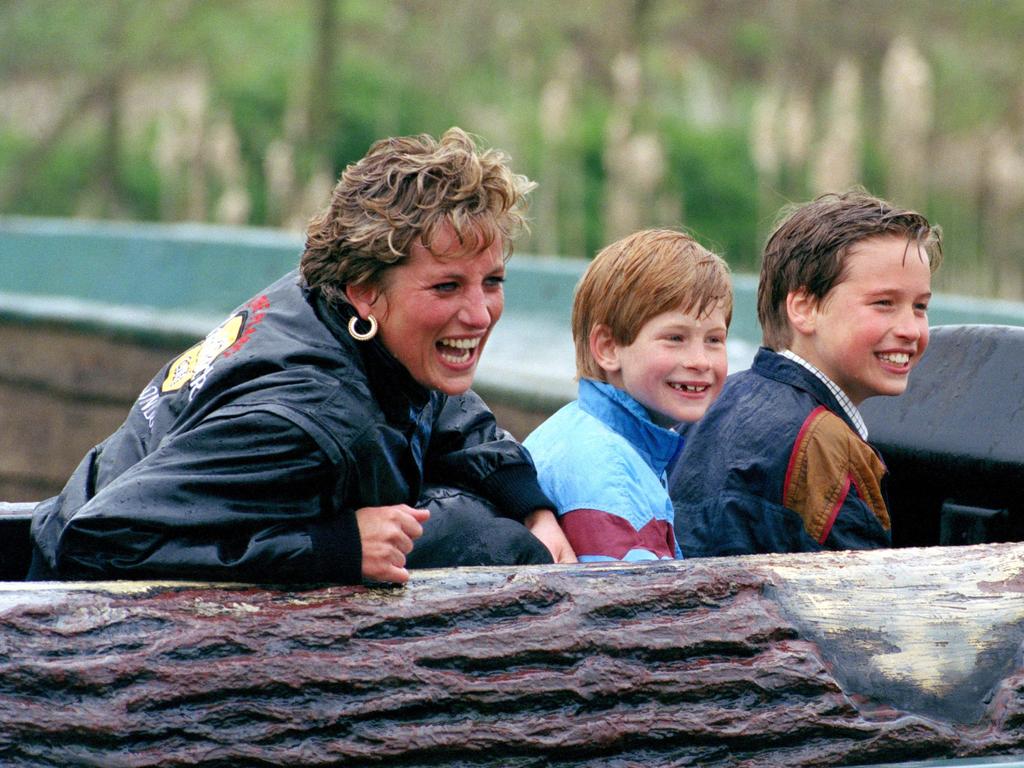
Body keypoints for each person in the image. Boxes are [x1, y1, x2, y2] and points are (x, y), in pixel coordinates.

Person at [28, 127, 576, 584]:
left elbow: (442, 407)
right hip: (75, 626)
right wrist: (335, 547)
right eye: (447, 288)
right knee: (495, 549)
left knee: (491, 526)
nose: (479, 314)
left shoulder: (336, 311)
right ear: (365, 289)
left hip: (100, 506)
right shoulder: (309, 417)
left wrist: (532, 505)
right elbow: (98, 540)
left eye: (493, 281)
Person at [670, 189, 942, 557]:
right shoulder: (828, 446)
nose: (911, 329)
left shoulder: (711, 404)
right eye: (884, 303)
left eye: (920, 306)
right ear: (804, 308)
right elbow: (863, 602)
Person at [523, 229, 732, 562]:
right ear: (608, 348)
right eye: (675, 338)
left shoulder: (587, 430)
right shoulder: (610, 479)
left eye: (714, 340)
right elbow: (632, 608)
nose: (700, 361)